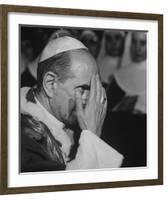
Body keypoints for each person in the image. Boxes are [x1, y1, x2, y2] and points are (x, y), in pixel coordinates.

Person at [20, 36, 123, 172]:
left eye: (94, 89)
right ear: (50, 84)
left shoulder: (72, 121)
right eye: (83, 89)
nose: (91, 101)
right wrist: (92, 137)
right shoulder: (21, 138)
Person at [102, 31, 147, 167]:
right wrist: (122, 108)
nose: (137, 48)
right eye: (134, 42)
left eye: (143, 43)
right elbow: (107, 114)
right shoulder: (120, 76)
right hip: (125, 142)